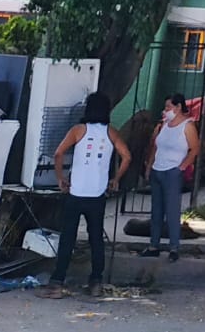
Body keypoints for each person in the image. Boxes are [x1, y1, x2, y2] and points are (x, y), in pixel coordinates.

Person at [48, 92, 132, 297]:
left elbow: (58, 153)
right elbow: (127, 156)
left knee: (68, 236)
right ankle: (96, 282)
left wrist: (60, 177)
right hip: (97, 194)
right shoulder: (111, 133)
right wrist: (116, 179)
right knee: (96, 237)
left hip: (76, 192)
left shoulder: (78, 130)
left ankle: (57, 283)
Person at [139, 92, 201, 261]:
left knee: (172, 211)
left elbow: (195, 149)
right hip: (158, 169)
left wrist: (182, 166)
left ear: (178, 107)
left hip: (173, 171)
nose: (165, 110)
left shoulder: (188, 126)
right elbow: (155, 146)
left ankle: (174, 247)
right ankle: (154, 245)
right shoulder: (163, 125)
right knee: (156, 211)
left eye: (168, 107)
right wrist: (149, 166)